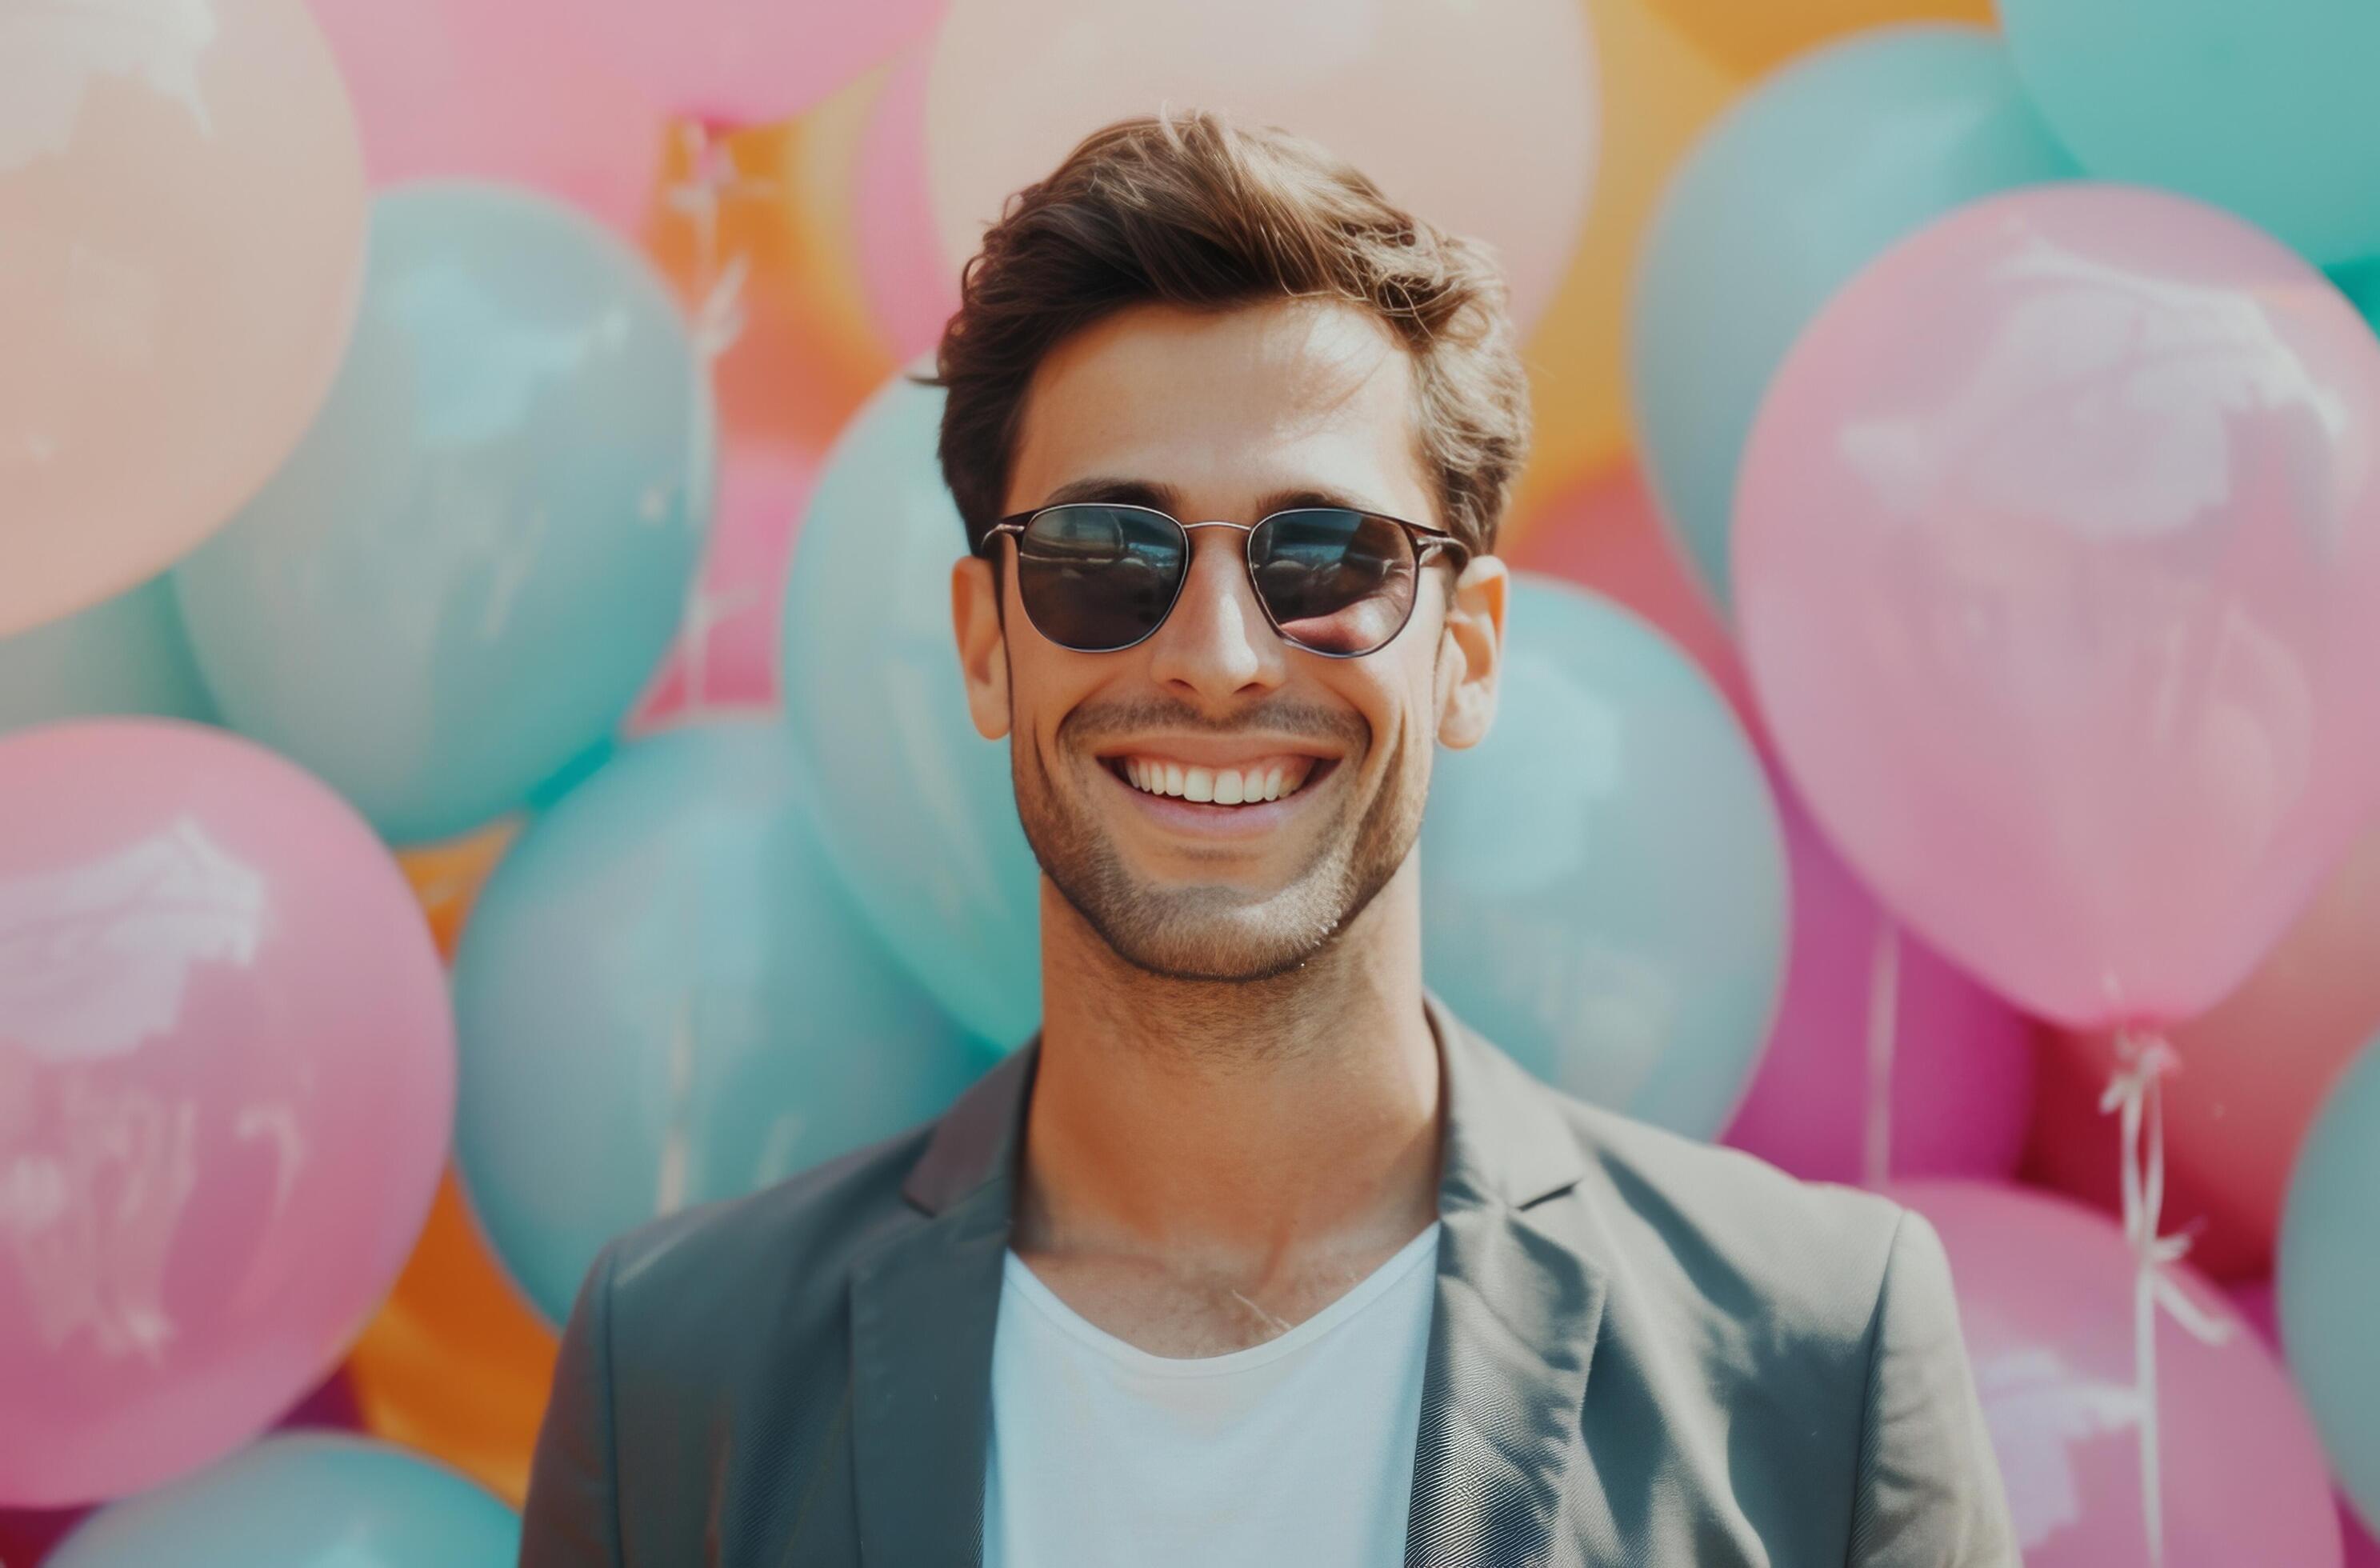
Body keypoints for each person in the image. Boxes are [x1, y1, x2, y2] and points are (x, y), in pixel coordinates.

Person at [519, 108, 2016, 1567]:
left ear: (1469, 650)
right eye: (1111, 556)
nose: (1221, 657)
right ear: (986, 644)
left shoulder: (1822, 1352)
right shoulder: (676, 1373)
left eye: (1327, 555)